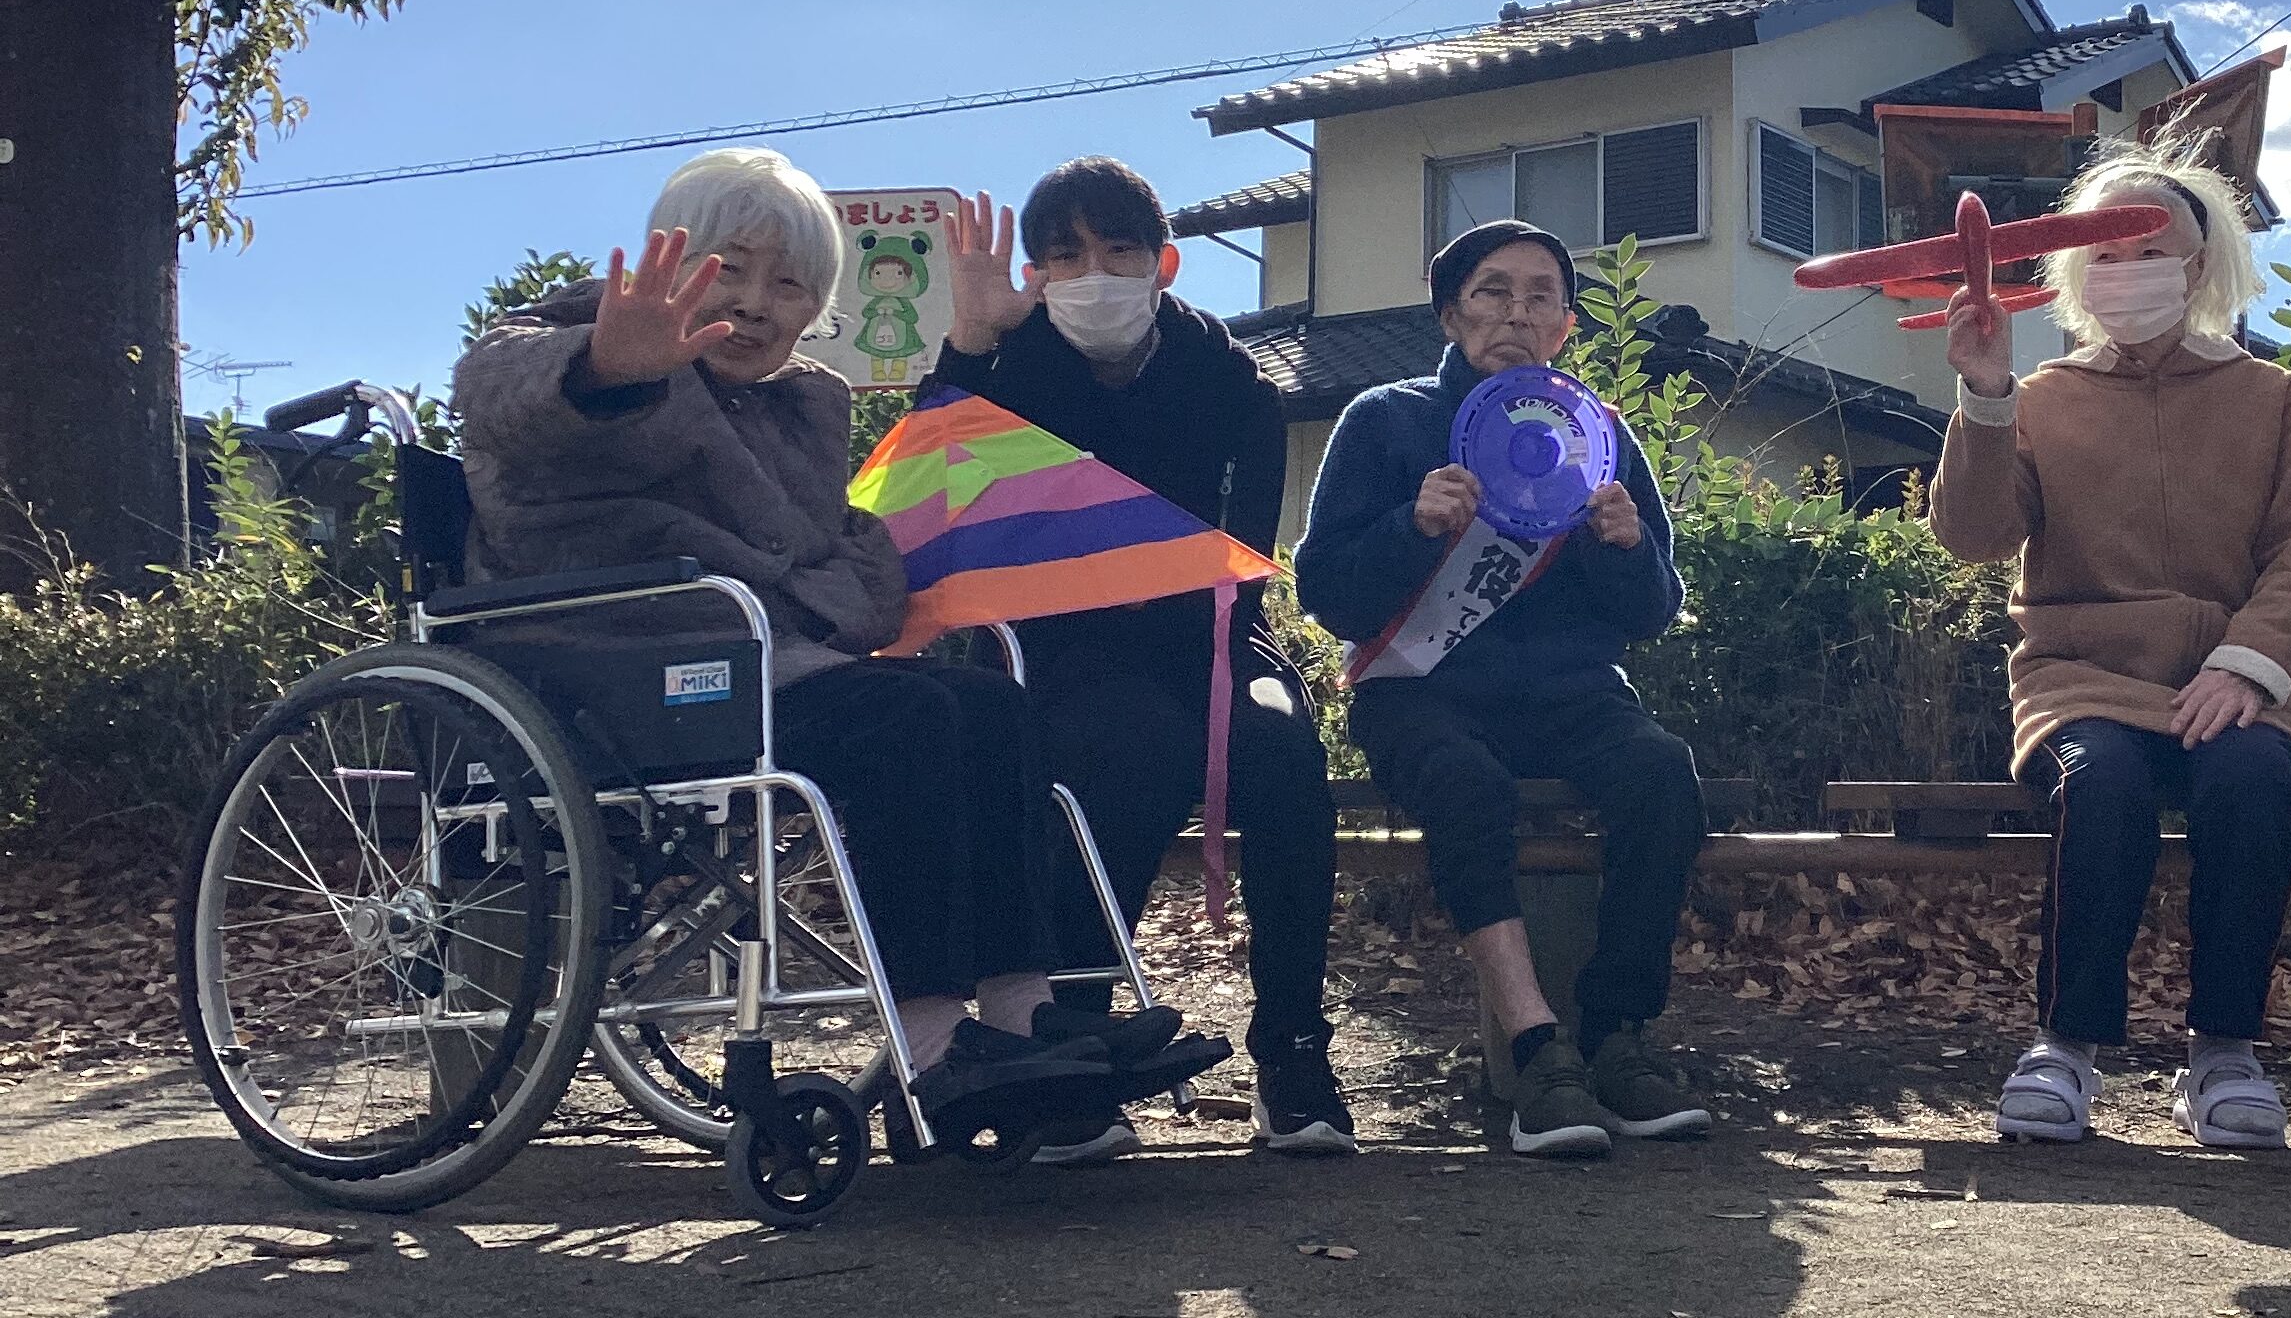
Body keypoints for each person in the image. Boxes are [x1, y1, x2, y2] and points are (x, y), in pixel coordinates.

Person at [453, 146, 1220, 1142]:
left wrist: (856, 568)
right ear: (666, 261)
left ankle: (1025, 1017)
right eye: (729, 269)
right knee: (904, 718)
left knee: (987, 704)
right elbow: (500, 391)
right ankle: (933, 1045)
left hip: (764, 662)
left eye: (790, 286)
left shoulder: (799, 402)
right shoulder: (582, 343)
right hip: (615, 666)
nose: (755, 303)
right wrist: (606, 366)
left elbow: (832, 560)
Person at [931, 158, 1354, 1157]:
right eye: (1066, 255)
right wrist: (972, 346)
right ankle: (1072, 1043)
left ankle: (1294, 1051)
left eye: (1119, 250)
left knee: (1287, 756)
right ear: (1036, 275)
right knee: (1131, 747)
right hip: (1050, 647)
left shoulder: (1236, 387)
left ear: (1163, 265)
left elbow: (1243, 559)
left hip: (1210, 638)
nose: (1094, 274)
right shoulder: (1005, 369)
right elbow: (924, 506)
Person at [1928, 146, 2291, 1150]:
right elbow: (1974, 535)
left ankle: (2225, 1053)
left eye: (2154, 250)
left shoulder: (2271, 395)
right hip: (2083, 680)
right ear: (2075, 269)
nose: (2130, 270)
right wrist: (1985, 393)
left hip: (2233, 682)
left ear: (2203, 265)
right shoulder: (2044, 396)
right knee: (2102, 785)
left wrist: (2248, 665)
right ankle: (2064, 1045)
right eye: (2106, 252)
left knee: (2255, 786)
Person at [1293, 219, 1709, 1160]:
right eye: (1492, 292)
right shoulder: (1386, 420)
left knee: (1661, 774)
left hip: (1572, 696)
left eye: (1539, 298)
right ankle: (1535, 1050)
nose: (1515, 314)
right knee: (1465, 784)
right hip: (1420, 693)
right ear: (1451, 314)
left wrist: (1625, 547)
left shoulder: (1597, 434)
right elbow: (1325, 594)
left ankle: (1617, 1036)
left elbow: (1652, 611)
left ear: (1565, 326)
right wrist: (1410, 527)